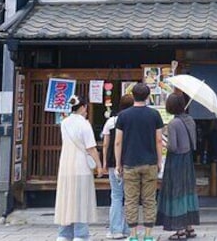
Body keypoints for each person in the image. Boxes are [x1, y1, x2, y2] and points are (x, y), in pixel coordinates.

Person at [115, 83, 164, 241]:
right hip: (150, 162)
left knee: (131, 199)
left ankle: (134, 234)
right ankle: (148, 235)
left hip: (129, 162)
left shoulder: (123, 116)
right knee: (150, 199)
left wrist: (118, 164)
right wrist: (159, 161)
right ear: (148, 96)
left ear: (133, 96)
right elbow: (158, 140)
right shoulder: (155, 115)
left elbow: (118, 142)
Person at [55, 95, 103, 241]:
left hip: (66, 165)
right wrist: (99, 166)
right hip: (81, 165)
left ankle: (64, 233)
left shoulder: (64, 123)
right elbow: (91, 148)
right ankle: (81, 234)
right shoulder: (84, 124)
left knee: (66, 198)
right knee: (81, 200)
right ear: (82, 107)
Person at [157, 92, 200, 240]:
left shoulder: (174, 123)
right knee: (187, 192)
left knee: (176, 192)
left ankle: (179, 229)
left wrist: (163, 140)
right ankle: (189, 227)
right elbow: (192, 143)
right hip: (188, 159)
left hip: (176, 161)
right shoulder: (190, 120)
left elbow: (173, 147)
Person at [101, 94, 135, 240]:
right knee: (130, 197)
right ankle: (127, 230)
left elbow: (105, 144)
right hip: (130, 161)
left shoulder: (111, 121)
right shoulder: (133, 121)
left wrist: (103, 163)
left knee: (115, 196)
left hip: (113, 162)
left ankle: (115, 230)